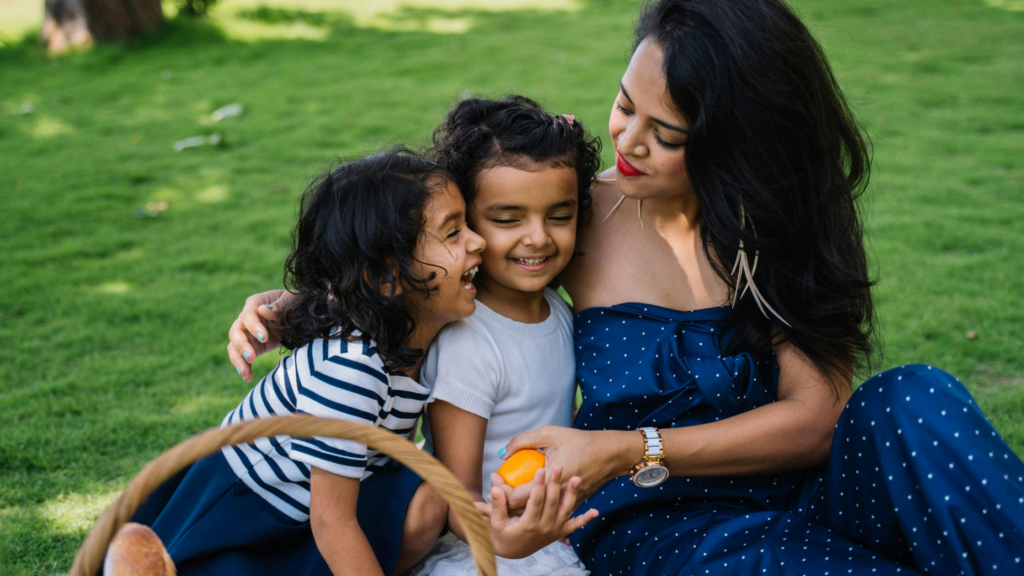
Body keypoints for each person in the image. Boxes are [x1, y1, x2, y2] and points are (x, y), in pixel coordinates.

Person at [226, 1, 1024, 574]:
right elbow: (436, 257)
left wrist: (629, 447)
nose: (627, 142)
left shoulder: (777, 229)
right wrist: (297, 308)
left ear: (736, 144)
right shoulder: (577, 216)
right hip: (663, 524)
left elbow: (817, 420)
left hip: (804, 486)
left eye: (665, 134)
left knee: (913, 395)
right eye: (622, 105)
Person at [135, 150, 489, 576]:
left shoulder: (414, 331)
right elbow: (331, 520)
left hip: (309, 505)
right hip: (251, 512)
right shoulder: (354, 369)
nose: (478, 240)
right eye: (453, 233)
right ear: (387, 279)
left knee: (428, 500)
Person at [406, 95, 602, 576]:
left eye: (560, 216)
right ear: (466, 224)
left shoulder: (557, 306)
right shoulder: (470, 342)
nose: (537, 237)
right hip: (489, 541)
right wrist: (510, 542)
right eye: (508, 219)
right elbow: (456, 494)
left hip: (550, 522)